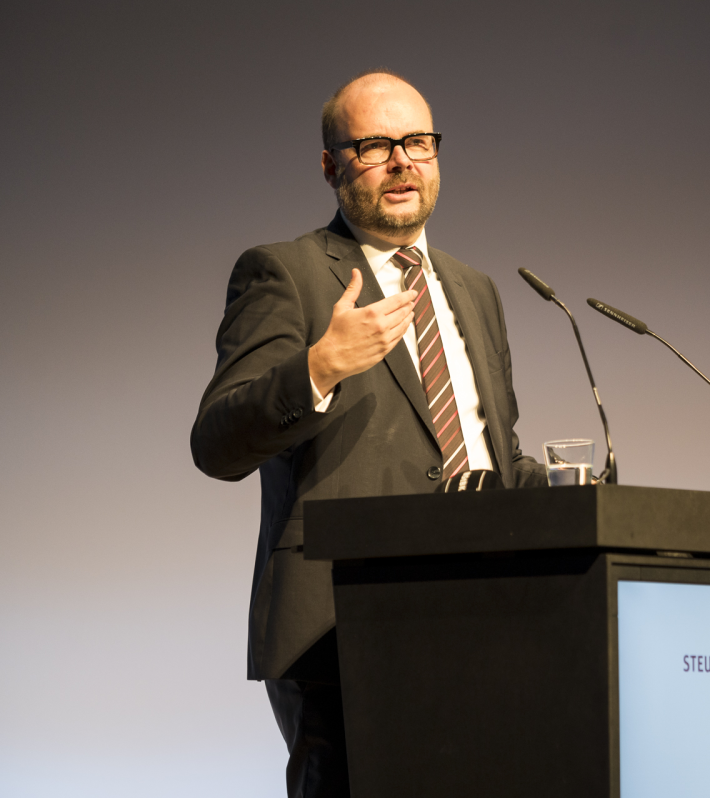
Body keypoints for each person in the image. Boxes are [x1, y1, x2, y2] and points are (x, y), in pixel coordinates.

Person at [190, 69, 546, 797]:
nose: (401, 162)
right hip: (343, 627)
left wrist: (583, 493)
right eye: (375, 146)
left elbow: (491, 453)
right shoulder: (285, 273)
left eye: (418, 142)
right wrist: (319, 367)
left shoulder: (475, 289)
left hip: (484, 612)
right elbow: (217, 444)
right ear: (331, 166)